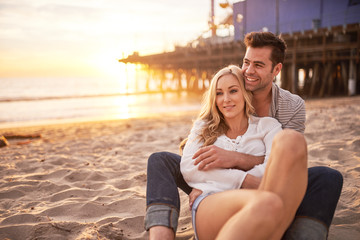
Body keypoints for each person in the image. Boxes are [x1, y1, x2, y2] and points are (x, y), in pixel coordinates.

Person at [145, 31, 343, 240]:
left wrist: (235, 160)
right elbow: (193, 162)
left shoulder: (285, 111)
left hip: (265, 182)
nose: (248, 70)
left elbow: (287, 161)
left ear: (276, 69)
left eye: (258, 65)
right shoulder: (210, 121)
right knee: (160, 160)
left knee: (327, 176)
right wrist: (204, 184)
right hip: (223, 185)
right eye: (246, 62)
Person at [180, 64, 307, 239]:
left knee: (292, 140)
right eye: (219, 93)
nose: (226, 99)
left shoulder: (268, 126)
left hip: (263, 200)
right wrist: (244, 180)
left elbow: (273, 167)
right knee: (268, 202)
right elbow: (189, 168)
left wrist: (227, 168)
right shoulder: (203, 127)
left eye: (233, 91)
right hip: (213, 201)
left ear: (245, 93)